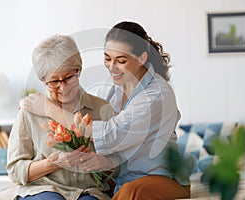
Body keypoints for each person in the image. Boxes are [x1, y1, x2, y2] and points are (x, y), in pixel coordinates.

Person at [22, 21, 190, 199]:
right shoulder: (113, 88)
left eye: (121, 60)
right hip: (120, 179)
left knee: (131, 193)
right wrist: (43, 101)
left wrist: (49, 109)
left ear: (142, 58)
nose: (111, 67)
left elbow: (112, 134)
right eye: (107, 58)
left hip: (159, 177)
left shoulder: (158, 95)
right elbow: (86, 109)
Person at [7, 34, 119, 200]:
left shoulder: (102, 109)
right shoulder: (28, 111)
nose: (63, 87)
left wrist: (101, 163)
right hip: (42, 189)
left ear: (78, 70)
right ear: (43, 80)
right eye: (54, 81)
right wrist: (53, 163)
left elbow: (119, 164)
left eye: (69, 77)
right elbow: (15, 170)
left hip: (88, 191)